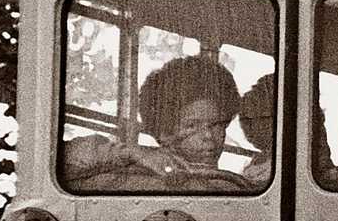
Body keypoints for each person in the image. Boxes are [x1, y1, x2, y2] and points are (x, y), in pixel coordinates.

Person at [62, 53, 248, 190]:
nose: (208, 136)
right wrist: (131, 153)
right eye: (192, 126)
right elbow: (59, 159)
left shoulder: (232, 187)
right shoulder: (128, 177)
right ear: (164, 133)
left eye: (216, 124)